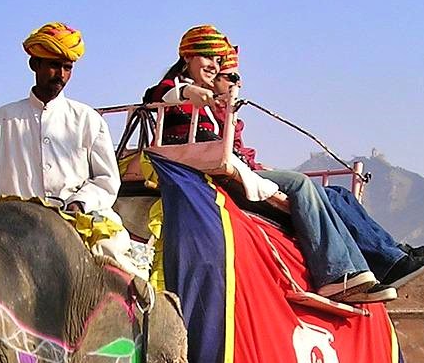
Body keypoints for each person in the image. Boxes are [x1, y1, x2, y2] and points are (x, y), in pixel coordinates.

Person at [143, 26, 389, 303]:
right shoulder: (176, 91)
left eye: (218, 61)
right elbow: (158, 94)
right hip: (204, 167)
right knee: (300, 184)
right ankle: (335, 274)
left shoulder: (214, 103)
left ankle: (363, 267)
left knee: (329, 195)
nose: (213, 65)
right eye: (207, 57)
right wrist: (189, 91)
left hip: (232, 165)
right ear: (187, 56)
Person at [210, 46, 424, 291]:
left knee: (340, 195)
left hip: (248, 170)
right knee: (302, 184)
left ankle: (393, 257)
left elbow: (241, 152)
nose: (236, 84)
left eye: (237, 78)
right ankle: (340, 271)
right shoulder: (195, 102)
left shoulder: (222, 109)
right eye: (231, 77)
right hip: (235, 176)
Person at [0, 22, 141, 278]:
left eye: (67, 67)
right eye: (53, 65)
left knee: (118, 266)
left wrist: (79, 204)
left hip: (79, 223)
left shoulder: (88, 119)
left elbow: (106, 181)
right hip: (14, 226)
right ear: (34, 65)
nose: (60, 74)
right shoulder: (4, 119)